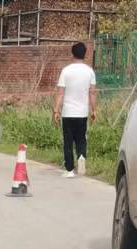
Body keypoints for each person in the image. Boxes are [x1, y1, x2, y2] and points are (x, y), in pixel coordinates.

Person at [53, 40, 96, 178]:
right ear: (85, 54)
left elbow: (60, 93)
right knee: (81, 139)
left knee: (68, 141)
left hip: (68, 113)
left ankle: (70, 170)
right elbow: (92, 93)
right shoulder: (90, 72)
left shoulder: (66, 71)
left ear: (73, 54)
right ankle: (82, 159)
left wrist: (56, 110)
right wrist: (93, 110)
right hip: (82, 112)